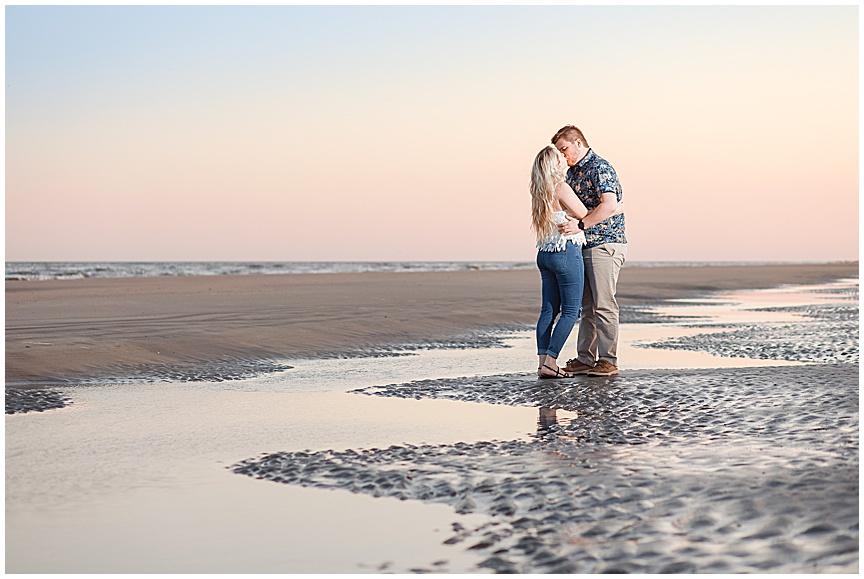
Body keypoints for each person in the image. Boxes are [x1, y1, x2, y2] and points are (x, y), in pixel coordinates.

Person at [529, 146, 623, 379]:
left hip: (545, 253)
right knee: (571, 311)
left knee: (548, 311)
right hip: (565, 251)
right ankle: (551, 362)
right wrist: (616, 208)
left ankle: (543, 363)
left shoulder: (539, 191)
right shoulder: (561, 187)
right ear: (553, 165)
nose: (563, 160)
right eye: (559, 157)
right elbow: (584, 214)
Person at [552, 125, 627, 377]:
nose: (563, 156)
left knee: (604, 304)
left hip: (605, 243)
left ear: (578, 143)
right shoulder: (572, 173)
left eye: (565, 149)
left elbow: (609, 205)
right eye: (559, 152)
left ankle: (608, 360)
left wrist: (581, 224)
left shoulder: (600, 167)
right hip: (583, 245)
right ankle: (585, 359)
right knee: (587, 307)